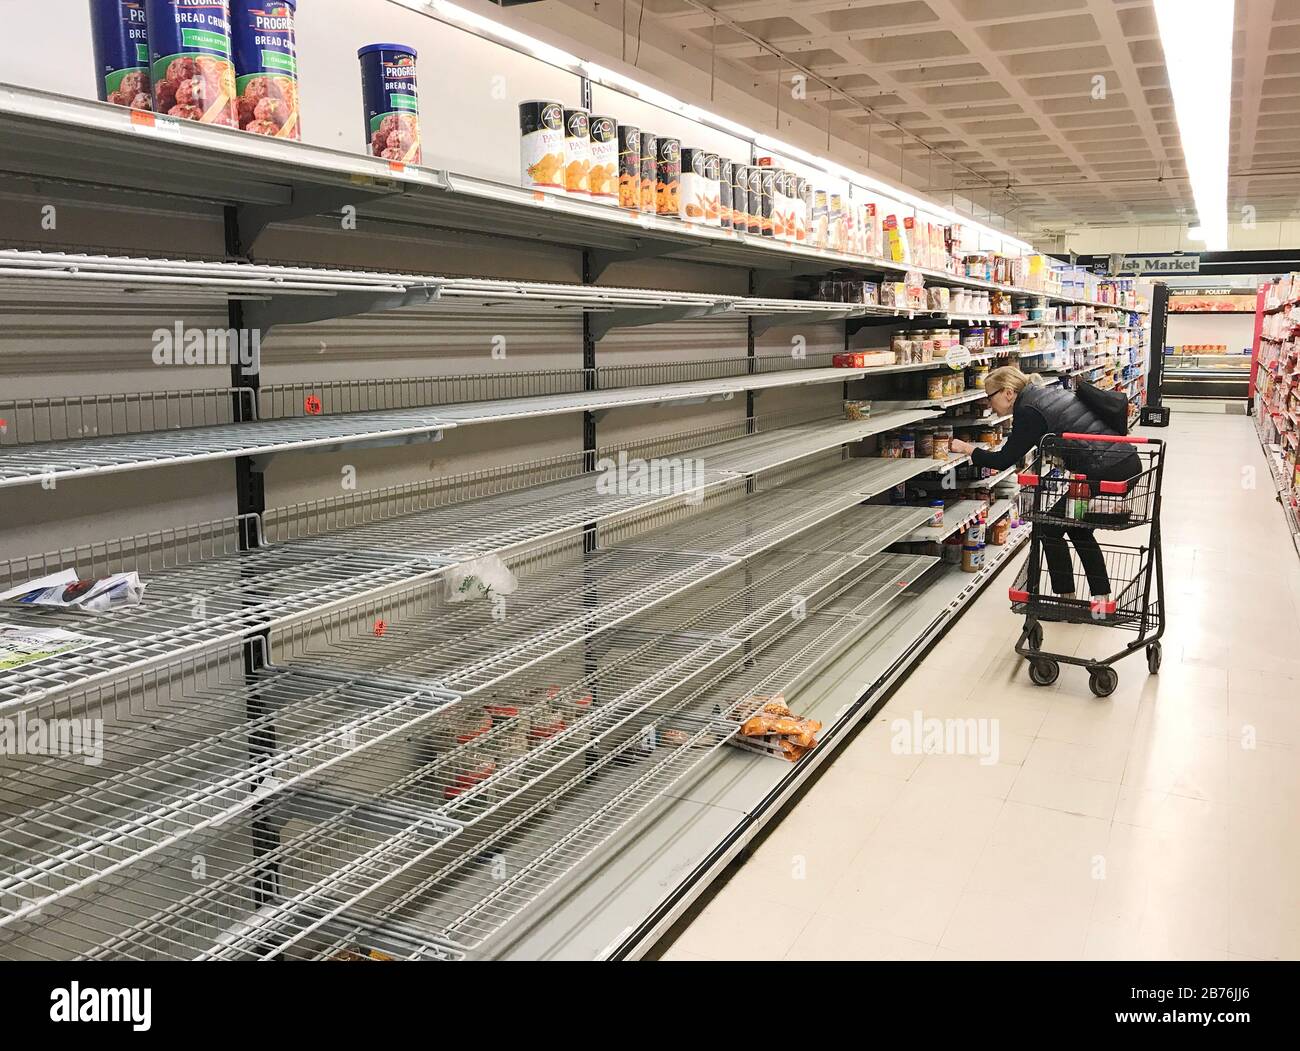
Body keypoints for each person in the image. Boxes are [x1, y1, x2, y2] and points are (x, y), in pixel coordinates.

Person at [949, 366, 1140, 607]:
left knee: (1050, 527)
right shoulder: (1041, 395)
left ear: (1008, 393)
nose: (989, 404)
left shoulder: (1029, 411)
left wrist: (967, 449)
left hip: (1107, 468)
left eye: (990, 397)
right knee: (1077, 528)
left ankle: (1067, 598)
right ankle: (1098, 598)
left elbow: (1002, 460)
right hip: (1121, 462)